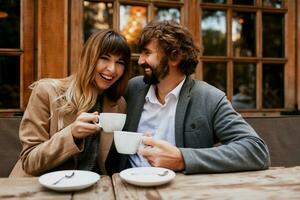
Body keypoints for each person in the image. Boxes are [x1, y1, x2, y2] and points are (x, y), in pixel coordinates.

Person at [119, 20, 270, 174]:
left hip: (183, 191)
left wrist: (183, 159)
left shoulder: (210, 99)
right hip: (125, 186)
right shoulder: (133, 89)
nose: (140, 60)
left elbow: (256, 151)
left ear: (175, 57)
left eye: (147, 53)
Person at [9, 29, 131, 177]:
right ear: (89, 58)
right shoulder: (47, 92)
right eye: (104, 58)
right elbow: (29, 162)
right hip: (41, 189)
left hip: (91, 188)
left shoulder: (119, 105)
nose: (112, 69)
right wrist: (71, 135)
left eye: (120, 62)